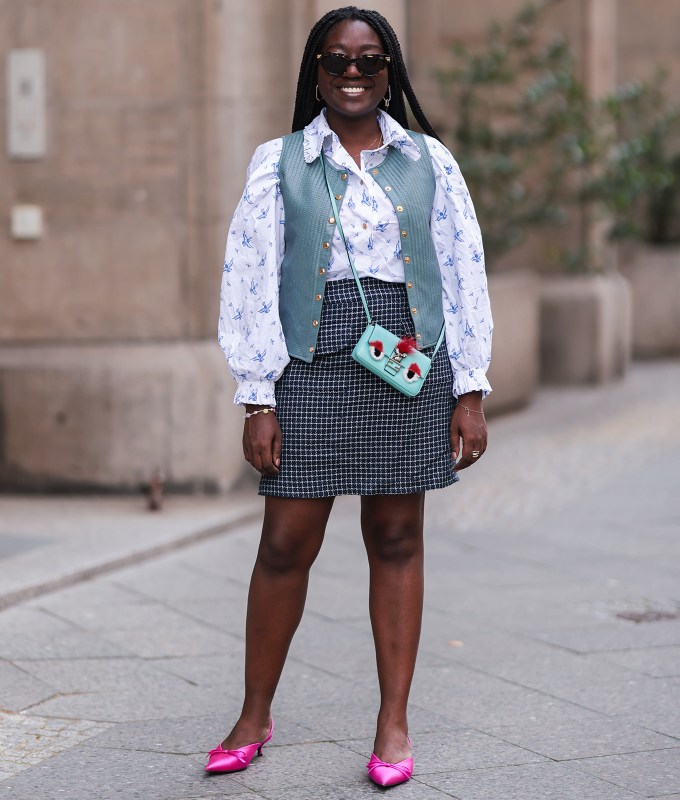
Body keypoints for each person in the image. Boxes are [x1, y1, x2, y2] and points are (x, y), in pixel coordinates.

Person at [209, 5, 492, 788]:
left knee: (397, 537)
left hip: (409, 358)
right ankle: (253, 712)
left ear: (390, 70)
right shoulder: (279, 161)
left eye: (369, 61)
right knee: (283, 543)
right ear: (317, 72)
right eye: (337, 61)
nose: (354, 73)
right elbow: (248, 276)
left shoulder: (430, 160)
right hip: (310, 360)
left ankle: (393, 721)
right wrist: (257, 397)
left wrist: (469, 388)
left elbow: (464, 270)